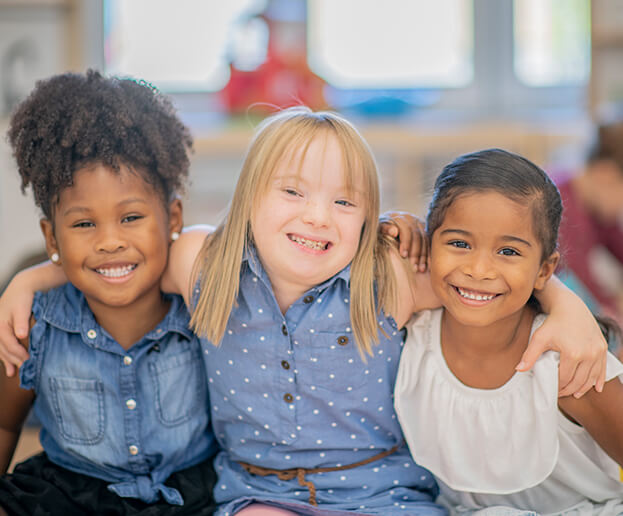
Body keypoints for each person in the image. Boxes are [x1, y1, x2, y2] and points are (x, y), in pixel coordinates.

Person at [0, 108, 609, 515]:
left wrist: (569, 308)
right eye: (293, 191)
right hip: (258, 492)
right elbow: (121, 255)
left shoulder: (390, 276)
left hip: (381, 492)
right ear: (249, 197)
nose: (318, 216)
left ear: (368, 216)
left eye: (344, 201)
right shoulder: (202, 265)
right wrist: (33, 276)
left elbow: (489, 278)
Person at [0, 70, 218, 516]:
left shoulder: (203, 304)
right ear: (52, 238)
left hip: (189, 496)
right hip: (68, 495)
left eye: (131, 217)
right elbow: (4, 423)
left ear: (173, 218)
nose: (109, 241)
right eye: (84, 224)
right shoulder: (32, 325)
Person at [394, 149, 623, 514]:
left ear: (545, 271)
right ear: (427, 243)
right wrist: (386, 226)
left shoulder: (570, 362)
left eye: (508, 251)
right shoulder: (409, 334)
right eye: (459, 244)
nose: (479, 269)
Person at [555, 121, 623, 335]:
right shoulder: (561, 208)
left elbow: (618, 245)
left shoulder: (596, 207)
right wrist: (613, 307)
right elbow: (580, 285)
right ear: (606, 175)